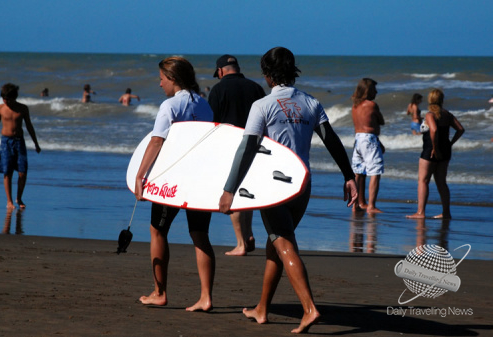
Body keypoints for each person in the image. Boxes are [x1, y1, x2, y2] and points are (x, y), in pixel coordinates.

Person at [218, 47, 358, 334]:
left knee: (283, 243)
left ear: (268, 76)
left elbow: (247, 148)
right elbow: (331, 140)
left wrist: (230, 189)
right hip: (303, 184)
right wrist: (349, 176)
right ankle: (262, 308)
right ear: (293, 71)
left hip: (272, 186)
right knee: (276, 244)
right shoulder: (311, 102)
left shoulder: (263, 105)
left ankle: (309, 309)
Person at [134, 56, 215, 312]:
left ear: (172, 79)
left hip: (173, 180)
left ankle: (159, 293)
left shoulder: (169, 106)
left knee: (158, 231)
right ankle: (205, 297)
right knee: (200, 234)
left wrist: (140, 175)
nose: (160, 85)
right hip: (200, 179)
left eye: (161, 79)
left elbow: (157, 141)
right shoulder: (205, 105)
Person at [208, 54, 266, 256]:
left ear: (221, 71)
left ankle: (240, 243)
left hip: (229, 146)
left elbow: (211, 124)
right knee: (247, 191)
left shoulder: (218, 89)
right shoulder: (256, 88)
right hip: (255, 145)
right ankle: (249, 235)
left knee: (231, 190)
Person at [406, 89, 464, 219]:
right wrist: (451, 143)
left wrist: (434, 147)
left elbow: (434, 129)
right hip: (445, 151)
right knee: (441, 182)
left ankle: (420, 212)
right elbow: (460, 129)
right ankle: (446, 212)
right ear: (441, 100)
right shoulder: (447, 114)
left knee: (423, 180)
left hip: (430, 150)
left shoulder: (430, 114)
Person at [0, 83, 41, 209]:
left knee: (22, 172)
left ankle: (19, 198)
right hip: (6, 142)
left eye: (7, 99)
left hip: (19, 141)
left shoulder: (22, 108)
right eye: (3, 98)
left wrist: (36, 143)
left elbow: (29, 126)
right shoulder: (0, 108)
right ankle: (9, 201)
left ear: (14, 97)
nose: (5, 101)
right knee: (8, 172)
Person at [351, 78, 385, 213]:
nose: (376, 92)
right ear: (368, 91)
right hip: (369, 138)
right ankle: (371, 205)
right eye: (374, 89)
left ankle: (357, 203)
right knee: (375, 171)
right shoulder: (371, 105)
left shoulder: (355, 106)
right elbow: (381, 121)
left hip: (358, 139)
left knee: (359, 171)